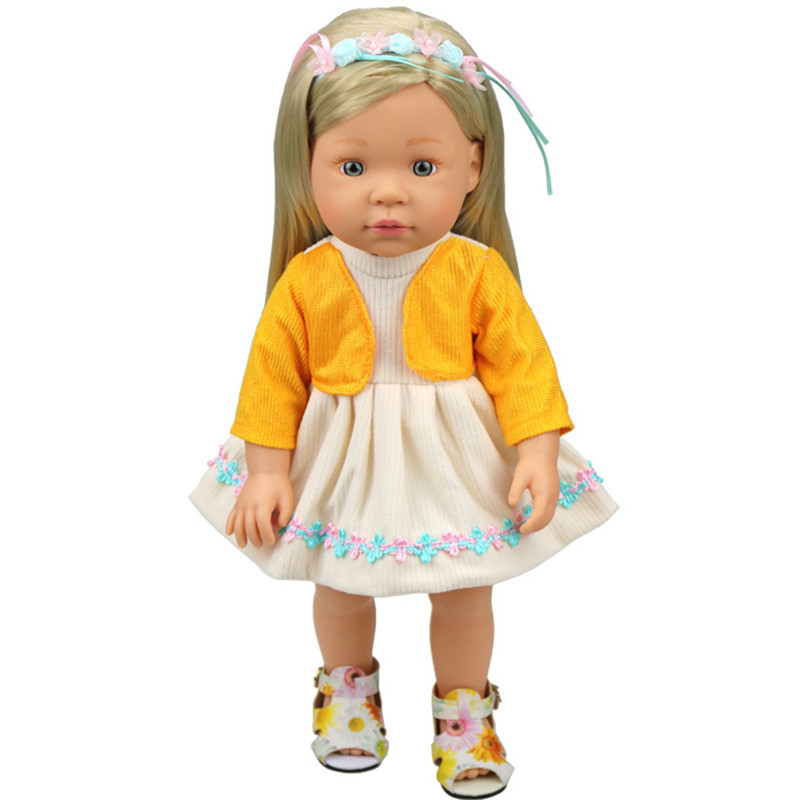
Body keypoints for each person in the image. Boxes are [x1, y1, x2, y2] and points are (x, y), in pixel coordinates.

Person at [190, 7, 617, 797]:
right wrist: (268, 469)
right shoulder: (308, 279)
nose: (388, 193)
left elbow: (524, 367)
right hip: (345, 462)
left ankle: (465, 714)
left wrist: (537, 448)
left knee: (466, 590)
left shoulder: (474, 271)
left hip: (455, 458)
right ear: (306, 165)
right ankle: (348, 694)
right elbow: (273, 380)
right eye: (353, 166)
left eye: (423, 166)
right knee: (340, 586)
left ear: (473, 165)